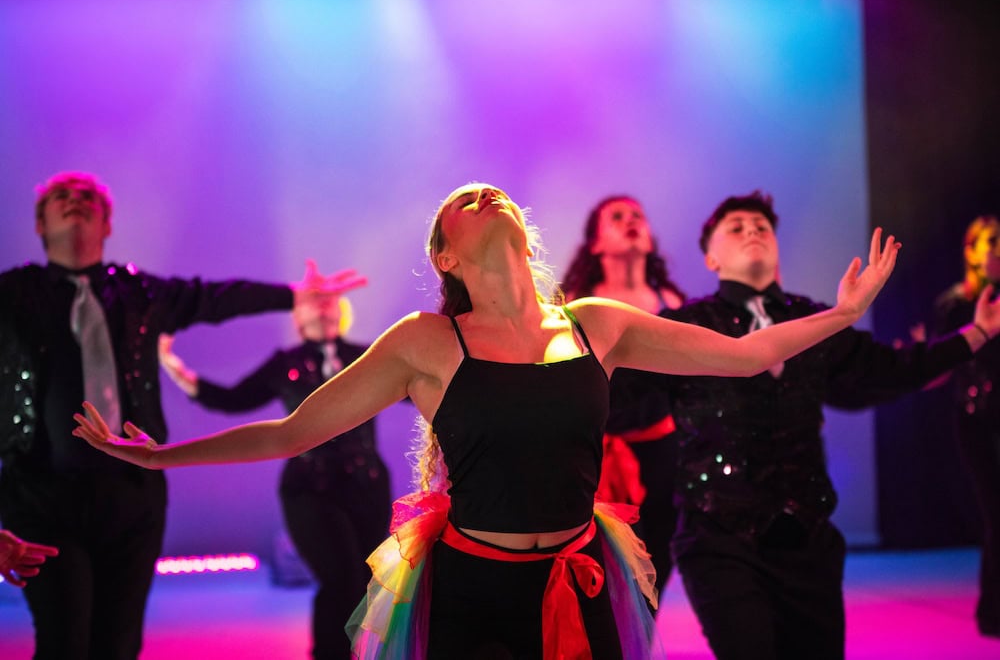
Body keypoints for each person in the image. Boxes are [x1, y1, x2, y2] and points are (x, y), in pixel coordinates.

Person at [74, 182, 901, 660]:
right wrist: (161, 458)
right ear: (444, 255)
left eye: (492, 192)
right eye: (459, 203)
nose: (481, 191)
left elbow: (746, 354)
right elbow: (291, 431)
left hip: (579, 579)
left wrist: (846, 311)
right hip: (472, 591)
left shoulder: (595, 322)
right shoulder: (424, 342)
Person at [0, 171, 339, 660]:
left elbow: (214, 297)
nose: (76, 201)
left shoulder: (137, 292)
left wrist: (291, 295)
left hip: (133, 492)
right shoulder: (13, 294)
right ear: (39, 222)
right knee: (64, 640)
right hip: (41, 495)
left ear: (108, 223)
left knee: (118, 644)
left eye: (89, 197)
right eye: (61, 197)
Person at [655, 191, 1000, 660]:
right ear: (711, 257)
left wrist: (976, 333)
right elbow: (624, 403)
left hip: (807, 538)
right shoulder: (684, 325)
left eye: (762, 226)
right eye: (736, 226)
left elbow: (890, 369)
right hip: (716, 537)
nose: (753, 230)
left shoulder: (811, 318)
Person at [158, 262, 392, 660]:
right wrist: (178, 371)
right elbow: (235, 400)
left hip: (366, 485)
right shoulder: (286, 362)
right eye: (313, 300)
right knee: (339, 580)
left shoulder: (367, 355)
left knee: (368, 583)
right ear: (297, 313)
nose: (322, 306)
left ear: (341, 309)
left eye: (329, 299)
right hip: (310, 489)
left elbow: (413, 386)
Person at [561, 195, 685, 600]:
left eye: (637, 216)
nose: (631, 221)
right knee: (598, 570)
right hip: (592, 456)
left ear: (649, 241)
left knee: (656, 563)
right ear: (596, 244)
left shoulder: (675, 304)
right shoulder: (571, 306)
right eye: (617, 217)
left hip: (662, 451)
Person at [933, 214, 1000, 639]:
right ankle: (992, 613)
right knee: (997, 514)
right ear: (971, 251)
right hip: (977, 420)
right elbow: (937, 362)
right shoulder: (957, 303)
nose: (999, 250)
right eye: (991, 242)